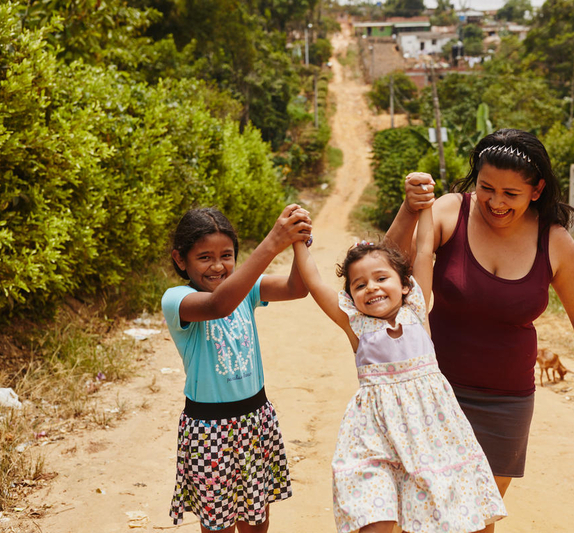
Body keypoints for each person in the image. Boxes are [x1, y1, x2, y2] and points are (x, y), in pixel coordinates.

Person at [385, 128, 574, 532]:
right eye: (486, 187)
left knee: (477, 519)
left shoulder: (555, 242)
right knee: (420, 515)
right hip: (434, 391)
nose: (495, 202)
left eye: (511, 194)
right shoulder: (447, 212)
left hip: (506, 404)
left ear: (537, 190)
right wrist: (408, 210)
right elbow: (387, 269)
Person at [290, 210, 507, 533]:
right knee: (372, 515)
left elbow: (423, 250)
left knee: (450, 516)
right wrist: (299, 243)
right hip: (373, 437)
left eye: (381, 278)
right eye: (359, 284)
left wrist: (425, 207)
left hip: (431, 437)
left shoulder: (417, 313)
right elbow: (316, 282)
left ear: (405, 286)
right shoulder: (357, 327)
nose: (372, 288)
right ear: (351, 297)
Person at [162, 205, 312, 533]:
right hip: (209, 429)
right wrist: (273, 241)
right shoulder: (177, 299)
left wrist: (300, 240)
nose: (218, 266)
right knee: (218, 527)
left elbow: (296, 289)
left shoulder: (245, 289)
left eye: (226, 255)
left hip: (255, 419)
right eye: (204, 257)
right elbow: (219, 305)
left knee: (257, 522)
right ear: (179, 259)